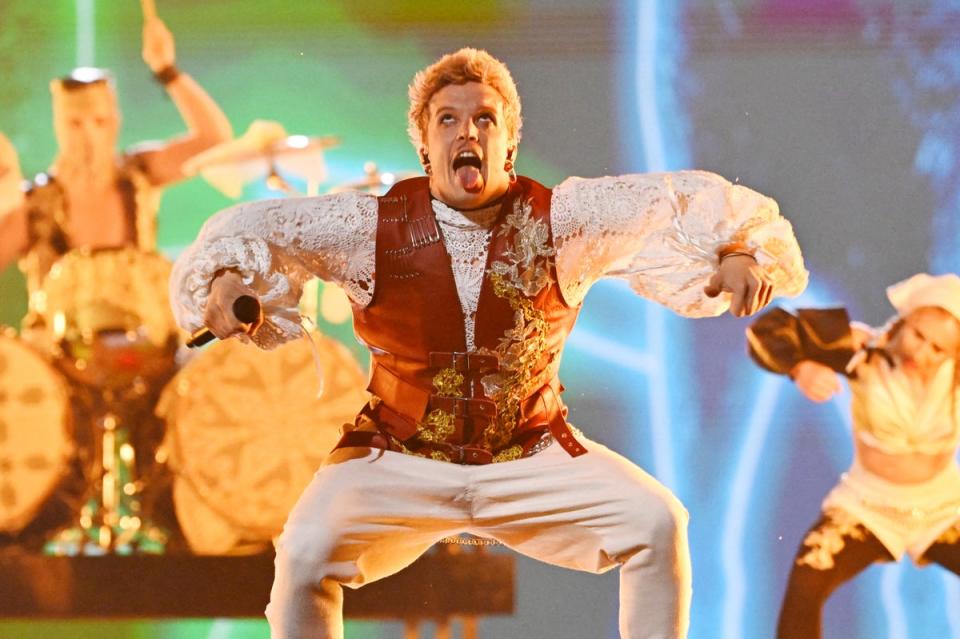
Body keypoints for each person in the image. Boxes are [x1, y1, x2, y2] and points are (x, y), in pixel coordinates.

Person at [170, 48, 807, 639]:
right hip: (399, 454)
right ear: (424, 145)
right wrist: (225, 281)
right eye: (448, 120)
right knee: (304, 557)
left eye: (484, 119)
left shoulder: (567, 218)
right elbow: (252, 232)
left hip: (528, 453)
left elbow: (678, 205)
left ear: (509, 143)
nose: (466, 133)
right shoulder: (364, 226)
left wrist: (740, 252)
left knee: (656, 524)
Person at [746, 273, 960, 639]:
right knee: (807, 582)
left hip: (943, 505)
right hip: (869, 503)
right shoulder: (859, 347)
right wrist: (800, 366)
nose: (920, 352)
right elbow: (767, 331)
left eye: (937, 349)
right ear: (904, 319)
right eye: (918, 335)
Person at [0, 15, 232, 333]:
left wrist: (167, 71)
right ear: (58, 127)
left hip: (144, 348)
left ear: (115, 122)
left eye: (99, 121)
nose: (89, 136)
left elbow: (214, 140)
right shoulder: (33, 205)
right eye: (75, 124)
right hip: (60, 361)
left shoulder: (140, 175)